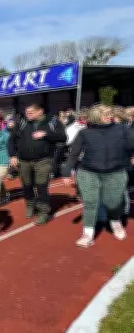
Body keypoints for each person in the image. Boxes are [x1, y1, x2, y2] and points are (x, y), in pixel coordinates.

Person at [65, 105, 134, 247]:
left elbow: (131, 144)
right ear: (96, 116)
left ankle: (115, 222)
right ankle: (87, 233)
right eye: (106, 114)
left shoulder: (121, 129)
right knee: (90, 203)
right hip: (88, 172)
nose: (110, 116)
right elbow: (74, 154)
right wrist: (66, 172)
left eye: (110, 113)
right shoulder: (84, 133)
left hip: (116, 172)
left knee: (113, 203)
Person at [8, 104, 67, 225]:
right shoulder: (22, 122)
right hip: (24, 160)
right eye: (26, 112)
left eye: (30, 112)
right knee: (27, 185)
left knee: (41, 186)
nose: (27, 115)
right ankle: (30, 204)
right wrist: (12, 155)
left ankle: (43, 212)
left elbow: (63, 137)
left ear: (40, 111)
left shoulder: (52, 122)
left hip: (43, 160)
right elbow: (11, 140)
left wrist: (46, 134)